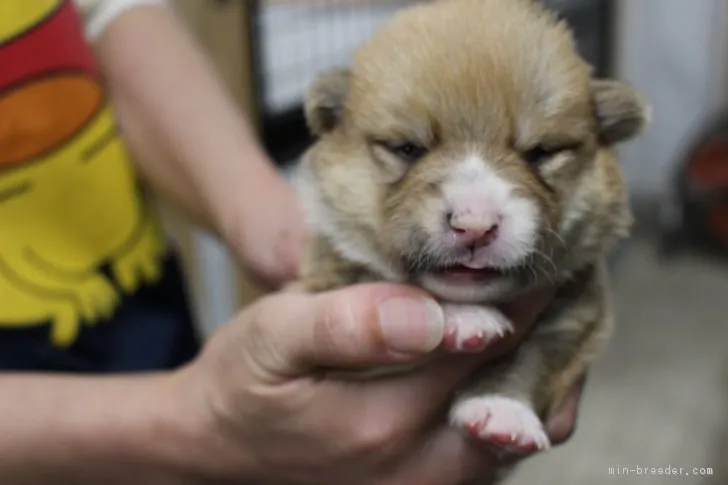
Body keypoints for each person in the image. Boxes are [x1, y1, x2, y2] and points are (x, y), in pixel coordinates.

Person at [0, 1, 584, 483]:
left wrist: (274, 226)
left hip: (134, 301)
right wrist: (186, 423)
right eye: (407, 151)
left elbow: (103, 12)